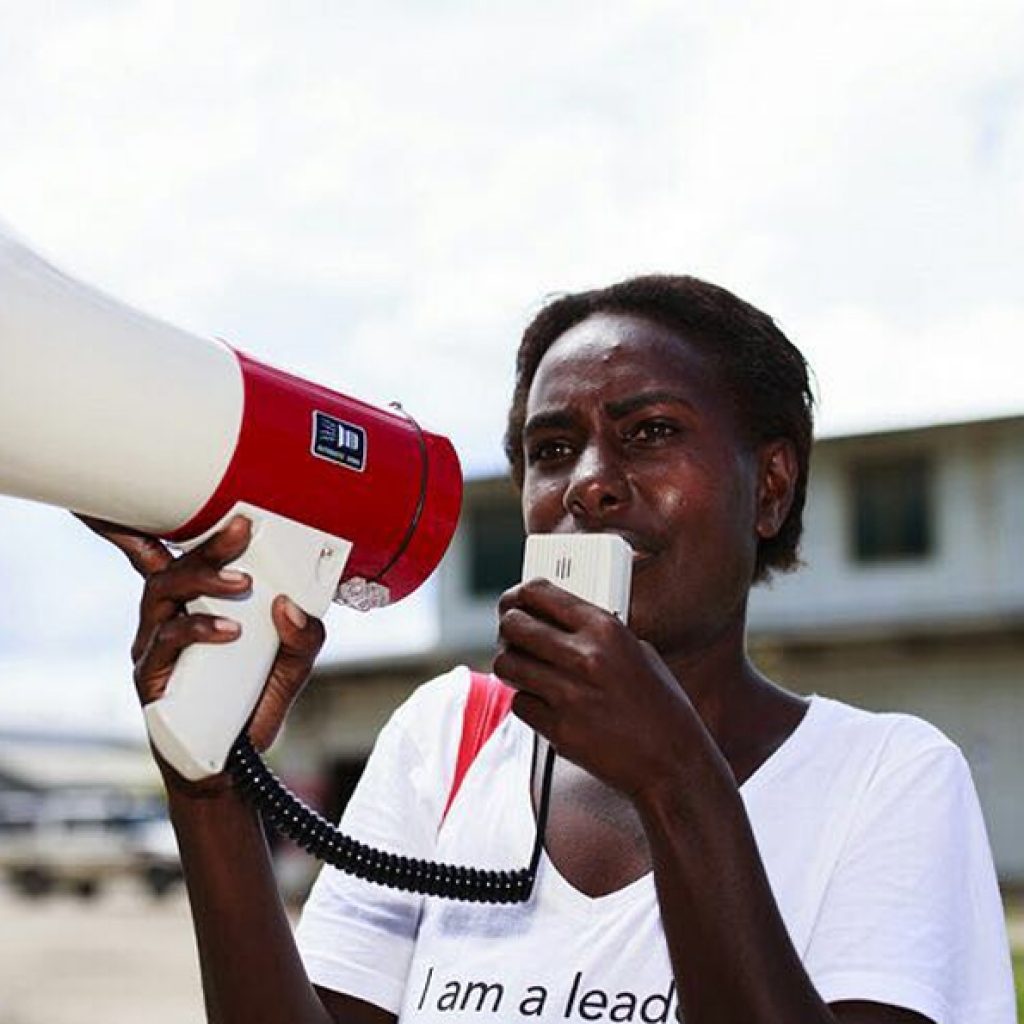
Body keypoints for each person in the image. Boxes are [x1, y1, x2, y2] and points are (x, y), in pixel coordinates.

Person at [84, 275, 1016, 1024]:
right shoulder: (447, 736)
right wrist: (204, 779)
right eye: (553, 448)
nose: (591, 486)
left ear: (769, 488)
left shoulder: (887, 777)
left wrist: (674, 780)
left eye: (651, 433)